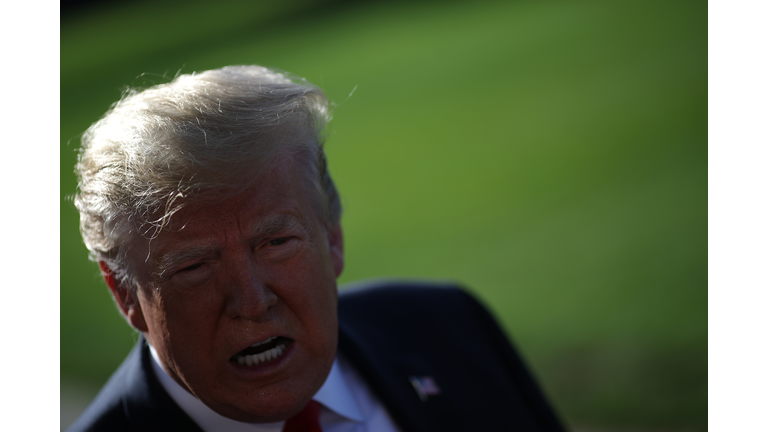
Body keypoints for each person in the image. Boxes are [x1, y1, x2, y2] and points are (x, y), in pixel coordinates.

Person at [68, 65, 566, 432]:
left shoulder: (450, 328)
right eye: (196, 265)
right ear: (126, 295)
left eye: (276, 241)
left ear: (332, 236)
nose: (251, 299)